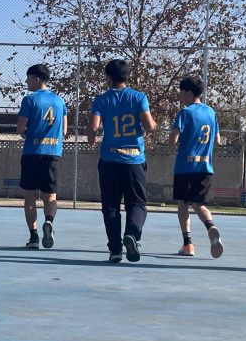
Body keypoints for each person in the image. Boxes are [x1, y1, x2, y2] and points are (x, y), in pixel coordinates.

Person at [89, 59, 157, 263]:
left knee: (110, 205)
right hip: (134, 160)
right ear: (126, 76)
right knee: (137, 203)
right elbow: (149, 126)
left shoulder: (101, 100)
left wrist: (92, 137)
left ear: (109, 78)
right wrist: (152, 124)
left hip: (109, 160)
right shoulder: (138, 97)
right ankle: (132, 234)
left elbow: (93, 128)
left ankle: (115, 249)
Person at [167, 75, 223, 259]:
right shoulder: (211, 113)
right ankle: (210, 226)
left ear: (190, 93)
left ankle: (188, 244)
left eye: (181, 93)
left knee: (183, 204)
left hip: (185, 167)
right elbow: (218, 140)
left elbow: (173, 140)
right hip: (205, 167)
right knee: (199, 204)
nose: (180, 97)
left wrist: (175, 138)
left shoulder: (185, 113)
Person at [17, 63, 67, 250]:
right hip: (52, 154)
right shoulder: (59, 101)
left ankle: (33, 237)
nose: (27, 82)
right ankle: (49, 221)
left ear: (37, 78)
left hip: (32, 153)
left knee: (30, 197)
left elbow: (20, 129)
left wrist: (29, 134)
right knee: (50, 196)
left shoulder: (29, 100)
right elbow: (64, 130)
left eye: (28, 78)